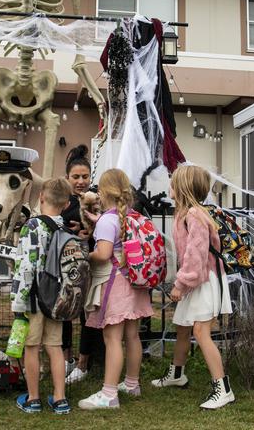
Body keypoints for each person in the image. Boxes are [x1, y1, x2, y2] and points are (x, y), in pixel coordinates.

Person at [151, 165, 235, 410]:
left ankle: (223, 388)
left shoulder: (195, 216)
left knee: (200, 331)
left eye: (173, 183)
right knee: (183, 328)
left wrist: (180, 284)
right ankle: (177, 374)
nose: (170, 187)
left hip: (204, 281)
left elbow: (195, 255)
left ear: (183, 188)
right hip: (196, 280)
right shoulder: (184, 214)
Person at [78, 169, 153, 410]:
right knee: (132, 335)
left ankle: (109, 394)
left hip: (115, 284)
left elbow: (103, 254)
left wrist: (83, 255)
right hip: (135, 282)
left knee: (112, 338)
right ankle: (132, 383)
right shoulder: (133, 217)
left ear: (102, 192)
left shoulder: (107, 221)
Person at [12, 177, 74, 415]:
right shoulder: (65, 229)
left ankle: (34, 398)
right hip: (57, 298)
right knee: (55, 347)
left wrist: (19, 298)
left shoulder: (33, 226)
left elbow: (26, 266)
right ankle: (60, 399)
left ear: (41, 197)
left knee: (31, 346)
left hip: (34, 298)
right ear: (67, 204)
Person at [61, 145, 104, 384]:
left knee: (88, 314)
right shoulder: (62, 201)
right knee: (65, 312)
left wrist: (90, 234)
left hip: (92, 266)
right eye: (75, 177)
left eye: (85, 177)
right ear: (67, 178)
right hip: (66, 266)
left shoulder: (97, 200)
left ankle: (83, 363)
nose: (80, 181)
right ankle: (66, 358)